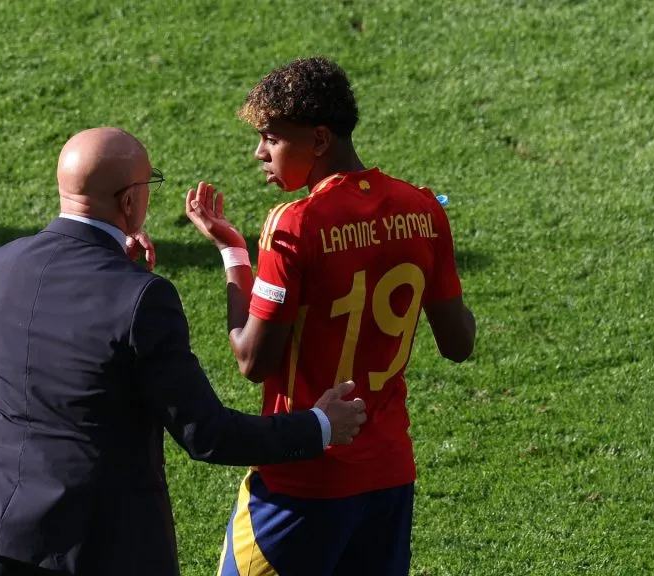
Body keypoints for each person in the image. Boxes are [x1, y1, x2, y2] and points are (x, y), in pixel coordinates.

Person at [0, 126, 369, 576]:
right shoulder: (142, 299)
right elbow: (206, 434)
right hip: (100, 544)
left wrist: (115, 266)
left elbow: (51, 342)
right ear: (129, 202)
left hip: (1, 530)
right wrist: (320, 425)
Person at [184, 58, 476, 575]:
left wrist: (234, 257)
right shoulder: (424, 211)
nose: (260, 153)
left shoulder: (295, 224)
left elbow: (252, 358)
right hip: (388, 478)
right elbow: (459, 343)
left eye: (271, 138)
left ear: (319, 140)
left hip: (303, 482)